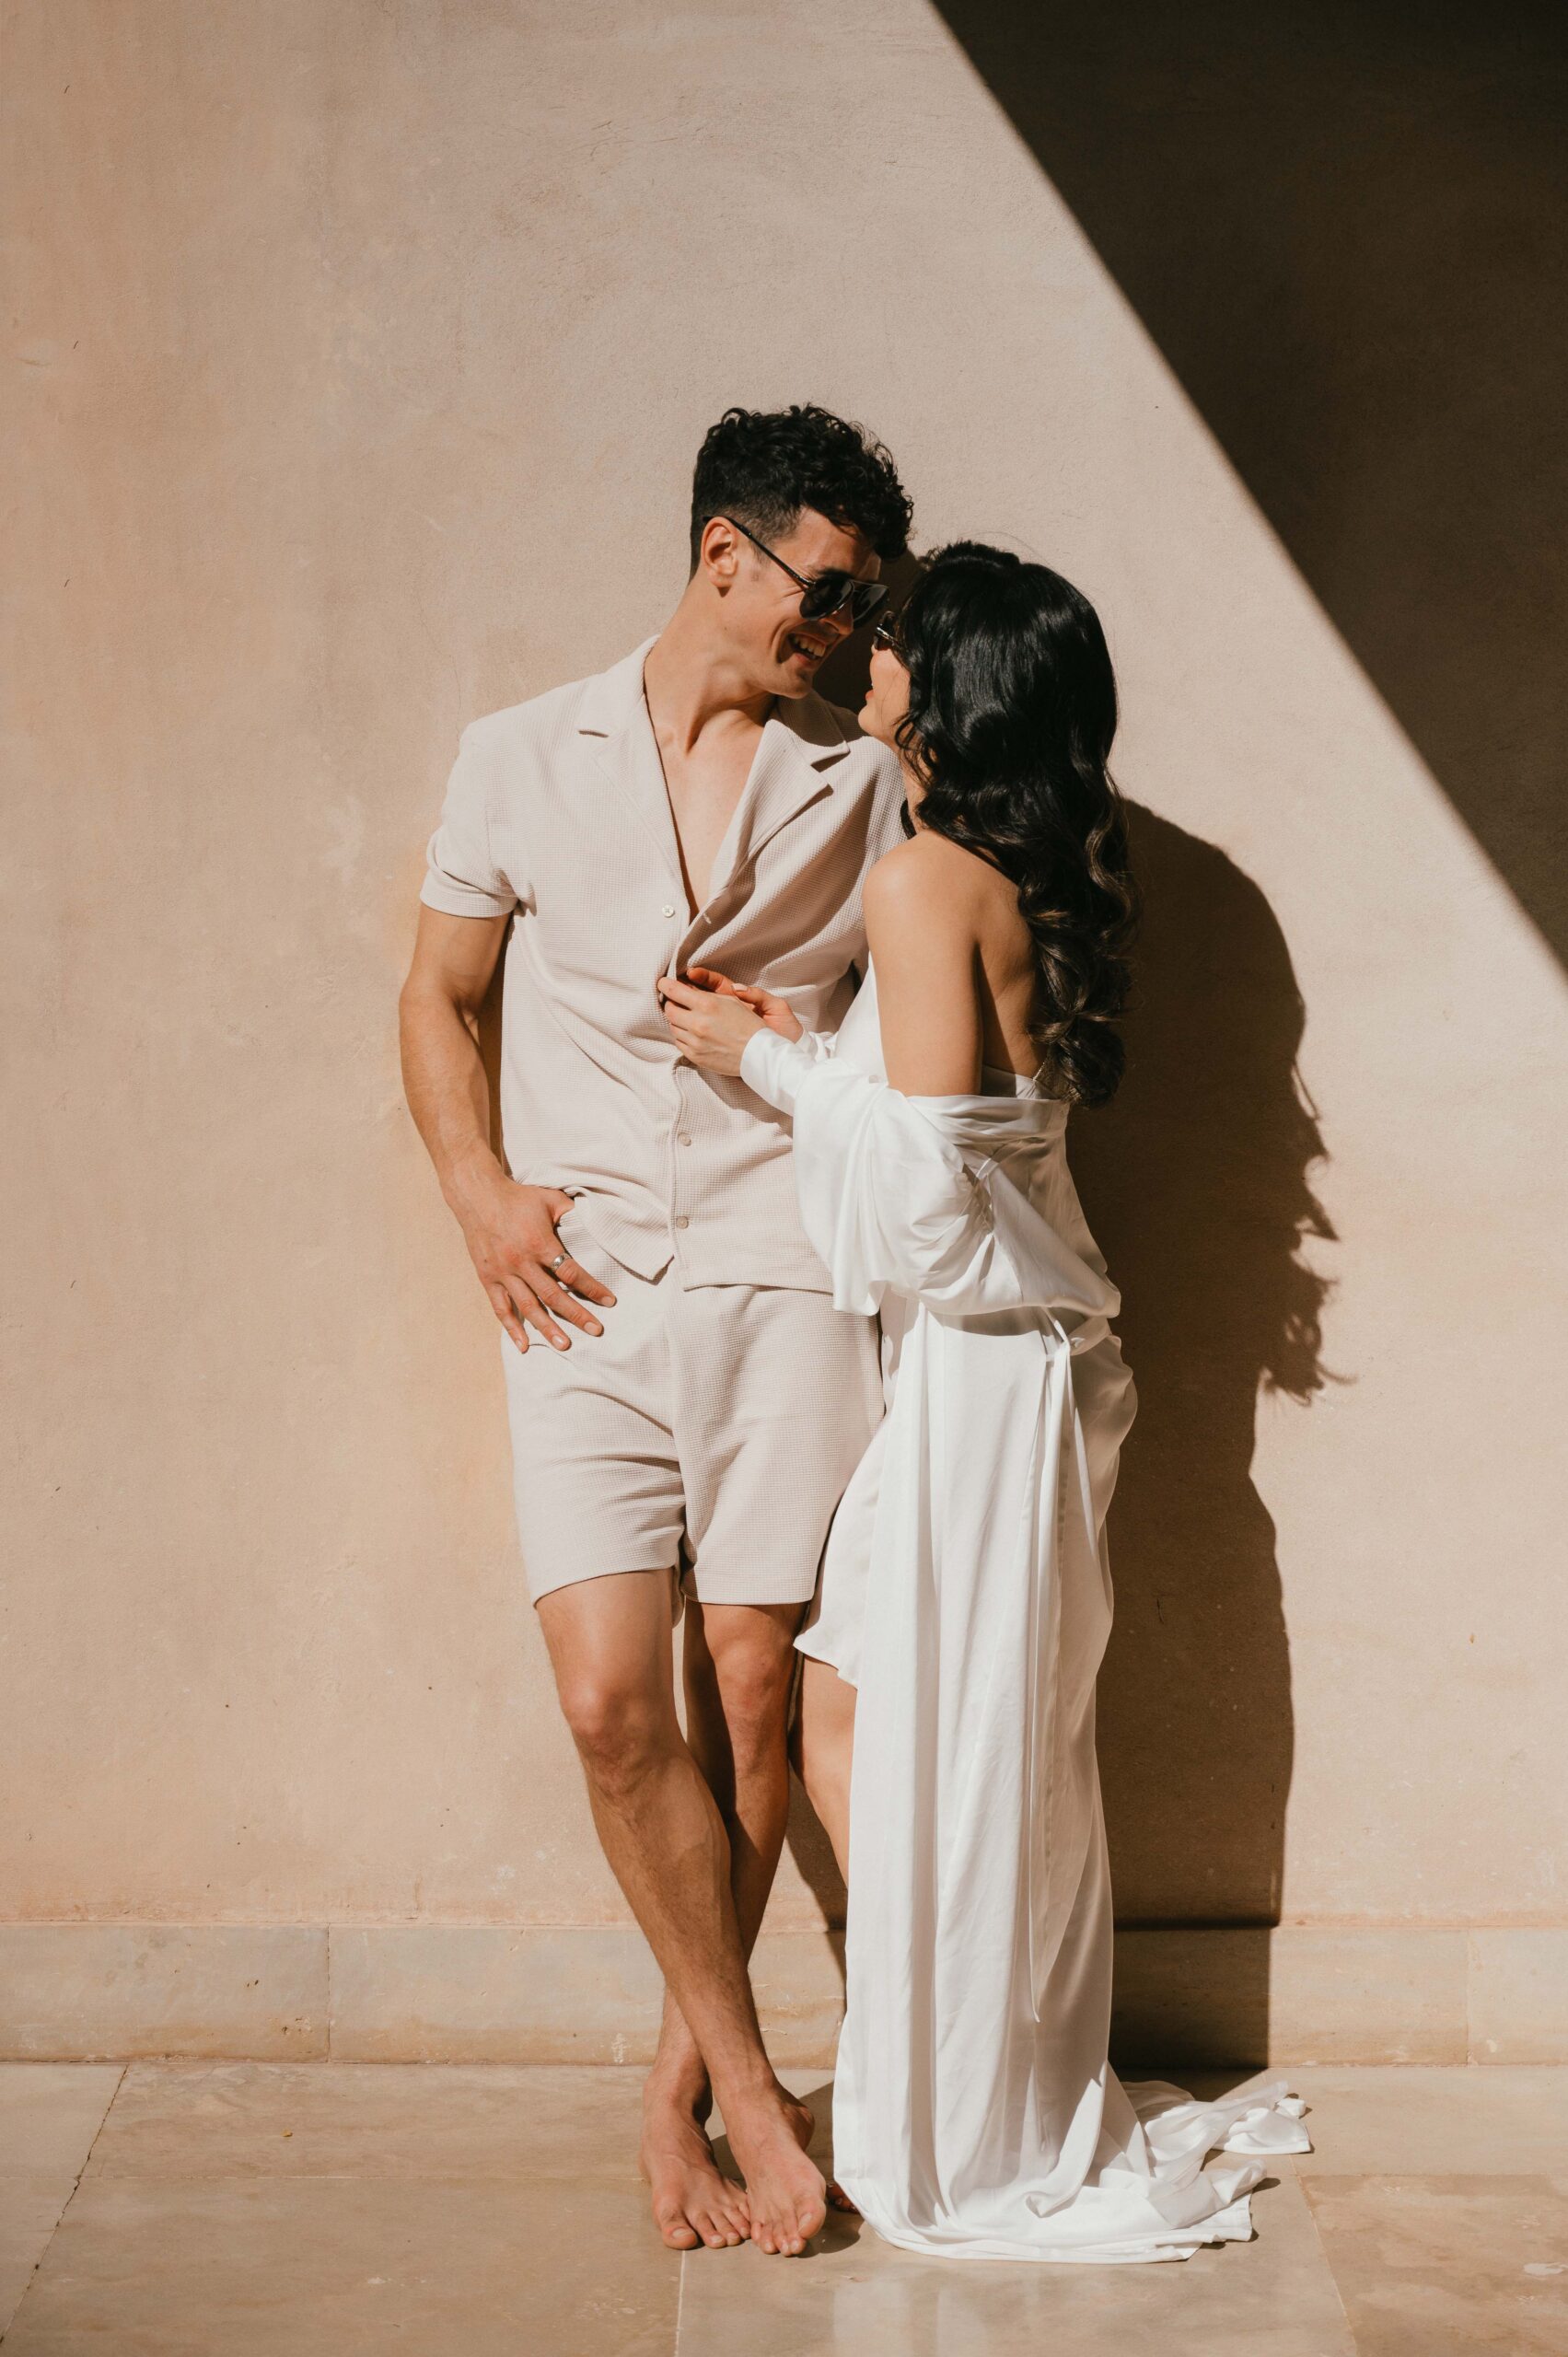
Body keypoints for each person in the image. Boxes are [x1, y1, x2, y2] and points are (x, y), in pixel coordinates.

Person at [659, 542, 1310, 2260]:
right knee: (936, 1729)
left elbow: (935, 1195)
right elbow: (976, 1139)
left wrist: (774, 1068)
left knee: (896, 1724)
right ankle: (958, 2073)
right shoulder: (1009, 868)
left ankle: (958, 2104)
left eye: (898, 642)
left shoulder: (924, 878)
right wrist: (799, 1064)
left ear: (946, 688)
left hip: (987, 1376)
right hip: (1032, 1368)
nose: (866, 658)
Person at [399, 405, 912, 2257]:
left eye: (869, 608)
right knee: (616, 1702)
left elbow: (929, 1014)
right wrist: (481, 1197)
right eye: (834, 593)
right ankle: (750, 2078)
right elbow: (438, 1000)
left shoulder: (863, 780)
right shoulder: (523, 755)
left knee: (754, 1689)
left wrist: (913, 727)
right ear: (727, 556)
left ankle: (688, 2088)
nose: (849, 632)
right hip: (584, 1284)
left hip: (781, 1270)